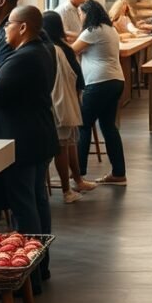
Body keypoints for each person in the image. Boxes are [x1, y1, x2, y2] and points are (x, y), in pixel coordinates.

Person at [0, 5, 58, 293]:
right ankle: (39, 266)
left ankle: (27, 278)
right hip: (40, 135)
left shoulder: (23, 58)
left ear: (22, 27)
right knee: (37, 201)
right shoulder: (43, 50)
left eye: (9, 24)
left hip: (22, 140)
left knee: (24, 207)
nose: (5, 29)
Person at [42, 12, 97, 203]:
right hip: (70, 99)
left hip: (61, 102)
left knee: (64, 145)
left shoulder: (52, 49)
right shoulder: (63, 46)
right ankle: (75, 182)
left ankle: (68, 188)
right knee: (68, 143)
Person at [73, 0, 128, 185]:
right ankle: (119, 173)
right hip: (115, 81)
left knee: (83, 125)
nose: (80, 17)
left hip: (99, 83)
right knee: (108, 127)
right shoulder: (109, 29)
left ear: (88, 13)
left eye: (81, 14)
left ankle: (79, 175)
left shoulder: (93, 30)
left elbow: (72, 50)